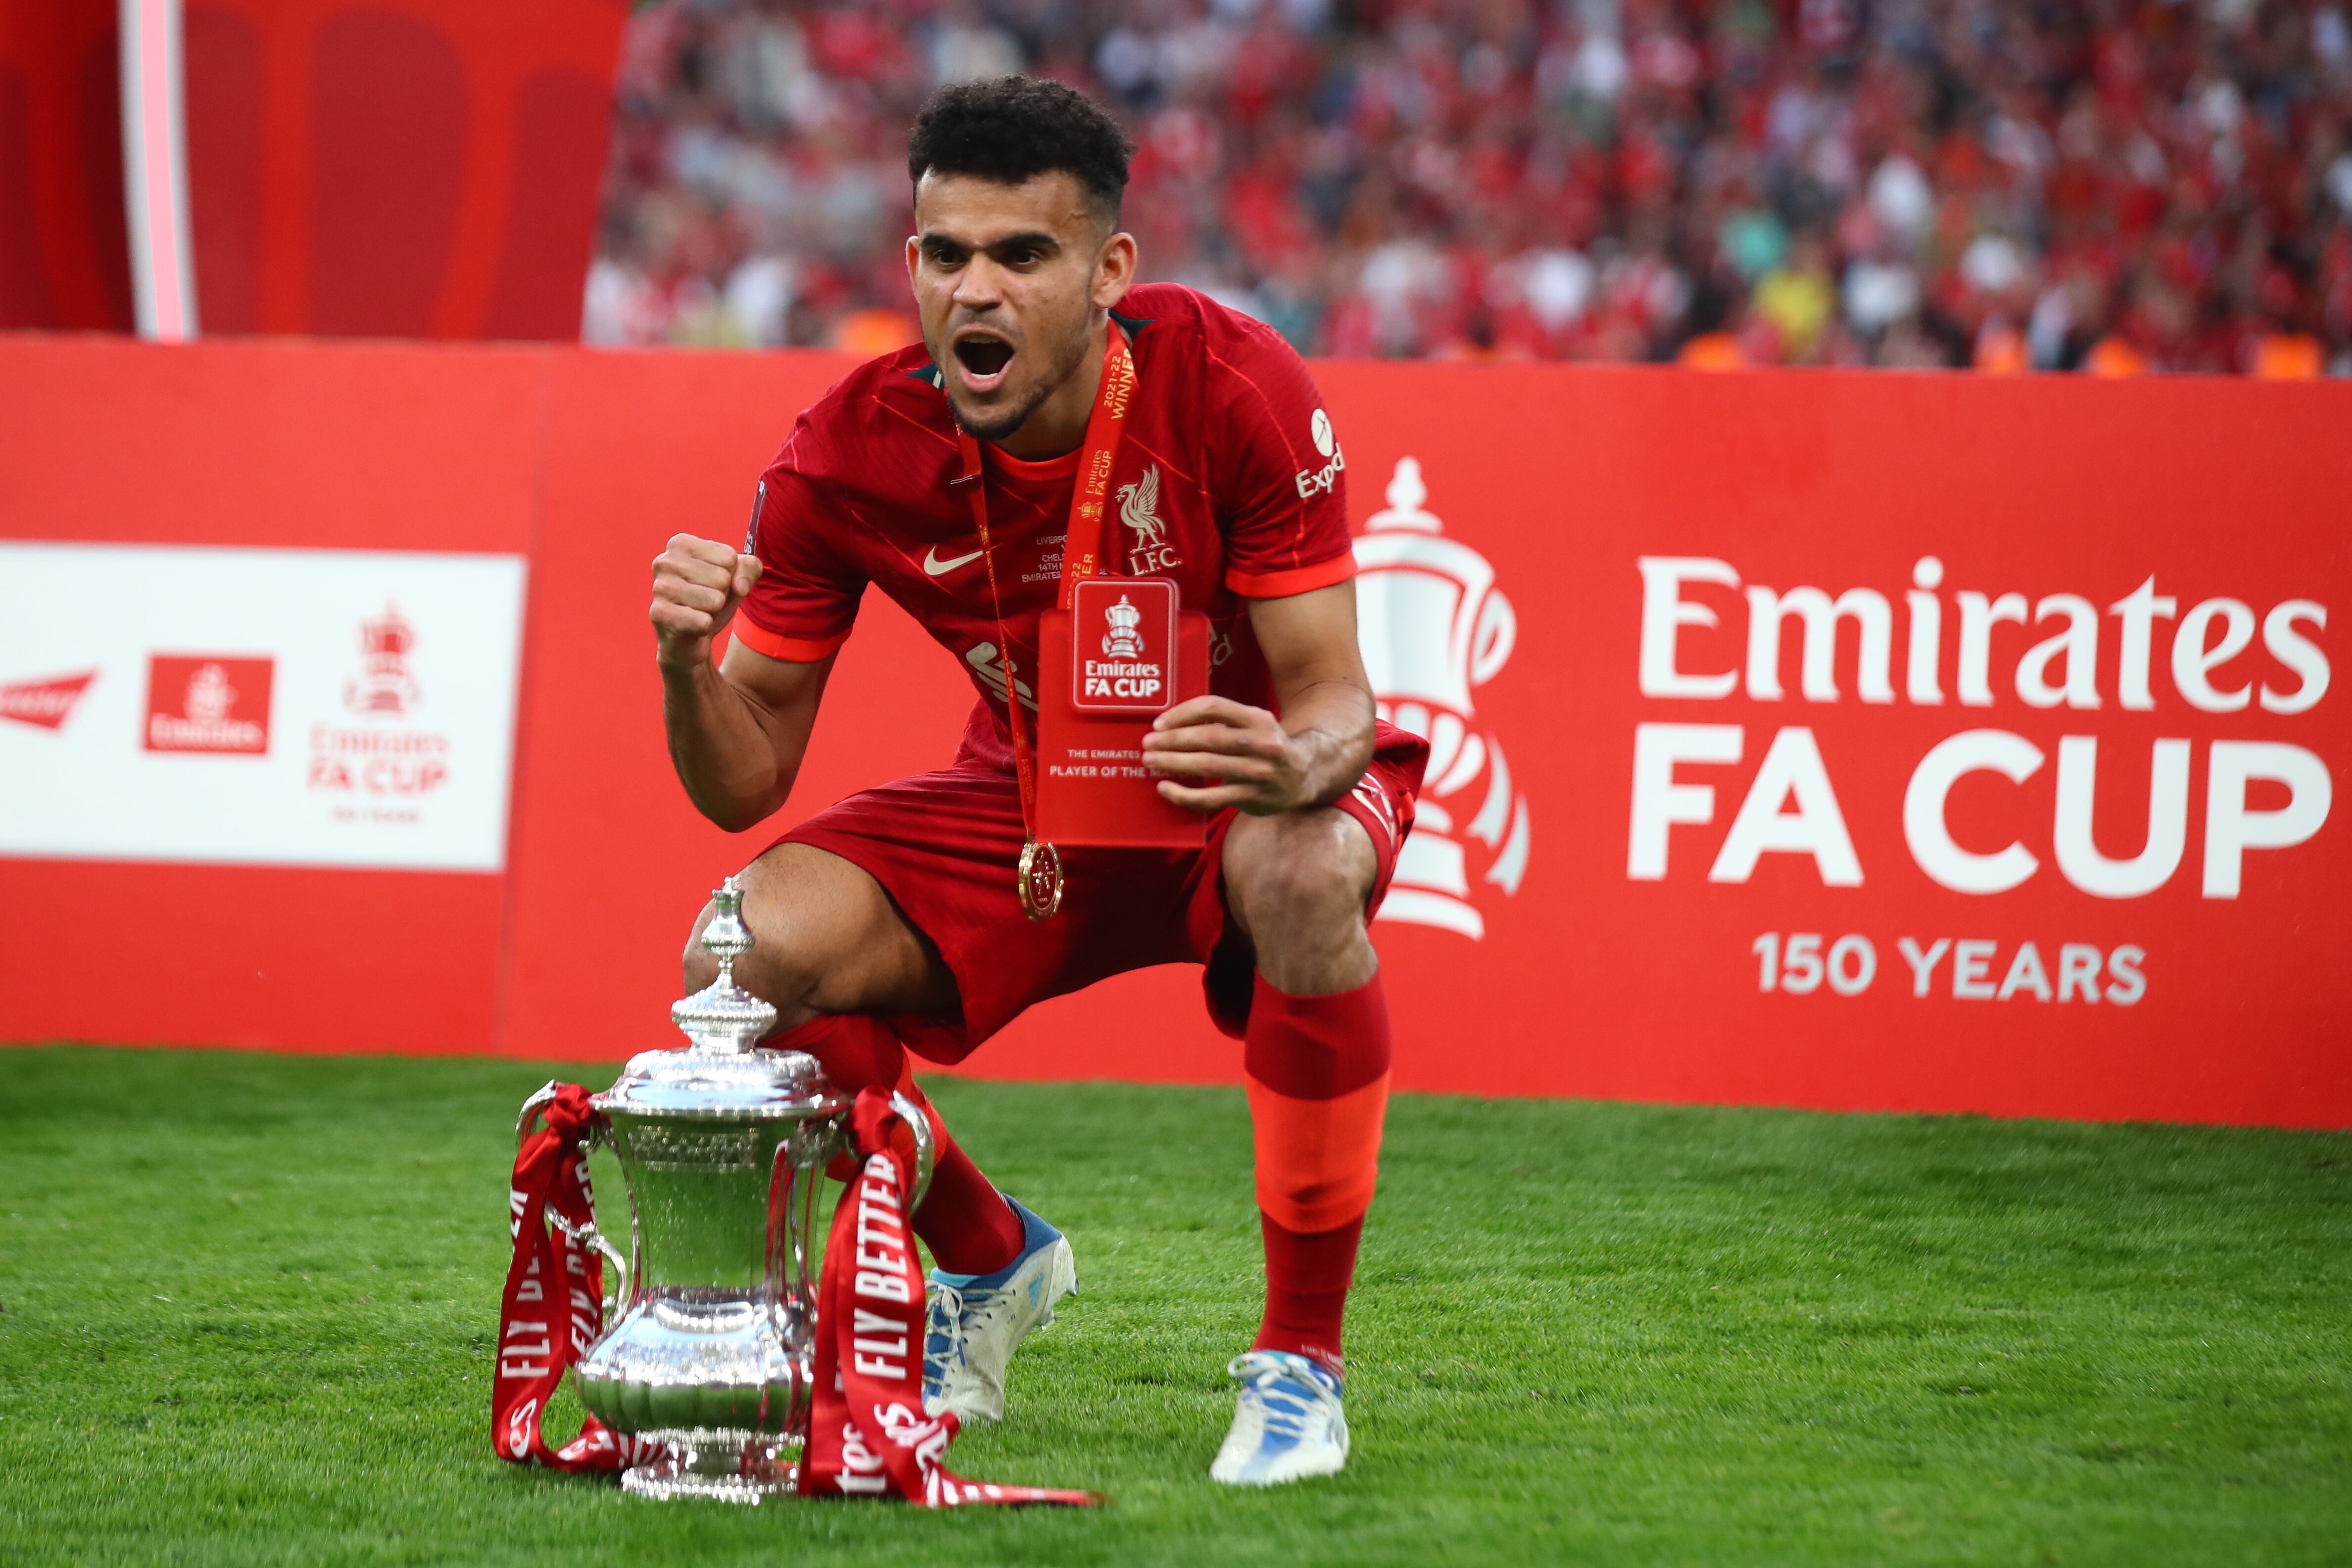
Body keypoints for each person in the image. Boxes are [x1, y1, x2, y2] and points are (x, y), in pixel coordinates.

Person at [647, 75, 1426, 1487]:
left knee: (1304, 866)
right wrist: (682, 669)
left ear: (1107, 271)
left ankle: (1301, 1366)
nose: (975, 292)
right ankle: (990, 1258)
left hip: (1235, 786)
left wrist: (1286, 762)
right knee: (737, 959)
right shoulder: (845, 448)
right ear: (912, 267)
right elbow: (740, 780)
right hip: (1031, 803)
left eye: (1023, 255)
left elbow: (1334, 699)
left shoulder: (1233, 382)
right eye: (946, 256)